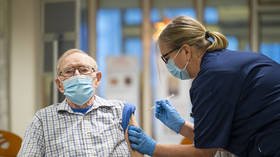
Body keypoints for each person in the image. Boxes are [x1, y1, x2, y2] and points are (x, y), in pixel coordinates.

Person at [128, 16, 280, 157]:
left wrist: (153, 148)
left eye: (166, 58)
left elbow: (204, 152)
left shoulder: (211, 78)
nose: (167, 65)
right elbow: (214, 139)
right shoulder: (222, 63)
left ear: (186, 51)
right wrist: (181, 126)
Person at [18, 49, 130, 156]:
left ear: (97, 79)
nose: (77, 75)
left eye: (84, 70)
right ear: (59, 84)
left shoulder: (120, 111)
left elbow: (137, 153)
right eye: (68, 71)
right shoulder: (42, 120)